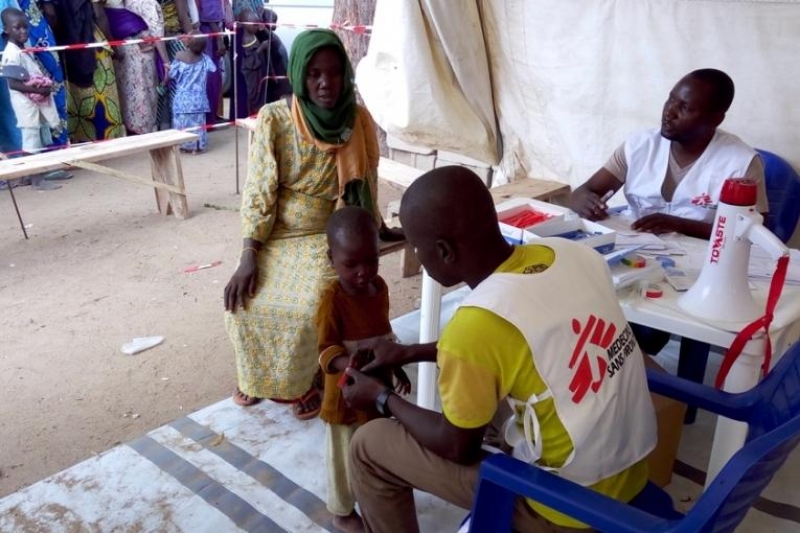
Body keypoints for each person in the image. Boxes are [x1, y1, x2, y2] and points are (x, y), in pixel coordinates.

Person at [341, 166, 658, 533]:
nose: (417, 254)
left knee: (369, 446)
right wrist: (409, 352)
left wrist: (381, 398)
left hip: (565, 508)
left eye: (416, 246)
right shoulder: (569, 254)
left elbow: (457, 447)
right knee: (490, 396)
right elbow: (508, 348)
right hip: (628, 470)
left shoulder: (474, 326)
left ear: (443, 251)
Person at [223, 29, 401, 419]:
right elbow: (259, 190)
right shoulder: (275, 118)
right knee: (244, 300)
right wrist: (249, 253)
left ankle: (308, 381)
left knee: (315, 302)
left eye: (334, 72)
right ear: (298, 73)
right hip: (277, 233)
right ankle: (257, 376)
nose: (325, 83)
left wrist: (376, 226)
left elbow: (367, 177)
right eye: (314, 73)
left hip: (329, 233)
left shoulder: (357, 119)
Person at [570, 68, 768, 240]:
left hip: (703, 256)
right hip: (635, 245)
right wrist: (586, 202)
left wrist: (681, 225)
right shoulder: (639, 145)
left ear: (715, 119)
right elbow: (584, 191)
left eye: (684, 107)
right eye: (671, 99)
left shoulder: (741, 162)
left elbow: (752, 232)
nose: (669, 112)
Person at [317, 206, 411, 533]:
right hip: (345, 395)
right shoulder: (332, 299)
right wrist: (353, 365)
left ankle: (374, 498)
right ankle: (342, 512)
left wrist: (395, 365)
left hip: (378, 389)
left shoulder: (379, 288)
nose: (363, 272)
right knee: (343, 459)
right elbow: (325, 351)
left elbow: (384, 335)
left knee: (376, 447)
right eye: (351, 264)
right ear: (331, 259)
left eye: (371, 260)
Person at [1, 7, 62, 190]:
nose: (23, 31)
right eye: (17, 28)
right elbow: (13, 83)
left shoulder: (23, 49)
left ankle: (30, 175)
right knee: (31, 141)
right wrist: (39, 90)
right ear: (6, 30)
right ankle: (36, 180)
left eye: (25, 27)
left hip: (34, 104)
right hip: (25, 105)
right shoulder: (11, 53)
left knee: (37, 138)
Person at [46, 0, 125, 142]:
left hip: (67, 46)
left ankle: (82, 141)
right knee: (103, 96)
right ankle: (108, 140)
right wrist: (114, 45)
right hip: (93, 45)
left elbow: (52, 15)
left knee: (77, 99)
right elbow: (100, 16)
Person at [105, 0, 167, 134]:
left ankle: (132, 132)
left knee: (126, 97)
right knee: (142, 94)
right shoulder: (145, 3)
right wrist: (166, 62)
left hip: (118, 48)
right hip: (136, 50)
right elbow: (156, 30)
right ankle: (143, 133)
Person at [166, 32, 216, 153]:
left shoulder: (179, 55)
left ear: (188, 42)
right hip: (199, 100)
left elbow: (172, 74)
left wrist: (168, 67)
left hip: (182, 100)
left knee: (181, 124)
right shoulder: (205, 59)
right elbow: (213, 69)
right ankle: (196, 148)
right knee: (198, 125)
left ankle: (182, 146)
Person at [239, 9, 289, 115]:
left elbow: (266, 56)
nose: (257, 27)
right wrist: (261, 47)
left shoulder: (254, 35)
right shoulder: (246, 40)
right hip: (253, 78)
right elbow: (248, 62)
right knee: (255, 100)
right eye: (255, 25)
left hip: (261, 76)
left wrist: (271, 72)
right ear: (246, 25)